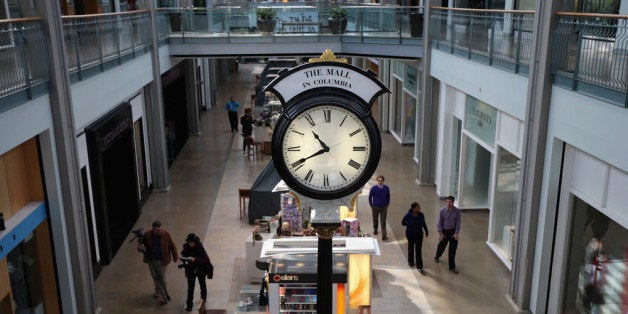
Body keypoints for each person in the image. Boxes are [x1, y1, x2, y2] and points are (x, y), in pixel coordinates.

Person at [137, 220, 178, 303]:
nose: (160, 231)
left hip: (162, 260)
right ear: (153, 229)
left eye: (161, 229)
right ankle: (158, 290)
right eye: (158, 230)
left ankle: (164, 296)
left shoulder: (166, 235)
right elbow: (142, 245)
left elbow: (173, 246)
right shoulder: (147, 234)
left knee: (161, 277)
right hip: (151, 260)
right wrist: (140, 248)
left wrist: (175, 257)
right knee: (155, 277)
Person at [179, 233, 212, 312]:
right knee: (190, 287)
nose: (191, 244)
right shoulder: (186, 246)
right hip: (190, 270)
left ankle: (203, 299)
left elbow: (206, 260)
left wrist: (195, 259)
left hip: (201, 269)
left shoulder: (199, 247)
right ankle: (189, 305)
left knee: (202, 284)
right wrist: (181, 257)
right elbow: (183, 254)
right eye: (190, 242)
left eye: (193, 242)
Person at [434, 196, 461, 274]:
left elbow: (458, 223)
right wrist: (440, 233)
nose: (448, 203)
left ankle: (452, 267)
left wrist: (456, 233)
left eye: (450, 202)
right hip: (444, 232)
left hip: (453, 233)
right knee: (442, 246)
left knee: (452, 250)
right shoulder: (442, 211)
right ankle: (437, 256)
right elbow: (439, 223)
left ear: (453, 202)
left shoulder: (457, 211)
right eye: (447, 202)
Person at [402, 202, 428, 272]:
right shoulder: (408, 215)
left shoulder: (421, 215)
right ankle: (410, 261)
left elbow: (423, 223)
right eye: (418, 207)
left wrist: (426, 231)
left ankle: (419, 266)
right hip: (410, 234)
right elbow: (403, 222)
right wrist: (409, 225)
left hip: (419, 235)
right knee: (411, 247)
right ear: (413, 208)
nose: (419, 209)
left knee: (418, 249)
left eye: (419, 207)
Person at [369, 175, 390, 241]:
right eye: (379, 180)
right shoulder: (373, 188)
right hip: (375, 207)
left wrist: (387, 204)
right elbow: (370, 197)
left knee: (383, 222)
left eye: (381, 180)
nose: (380, 182)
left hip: (384, 207)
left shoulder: (386, 188)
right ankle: (375, 230)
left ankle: (384, 236)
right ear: (377, 181)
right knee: (375, 219)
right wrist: (371, 205)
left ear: (383, 181)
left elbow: (388, 197)